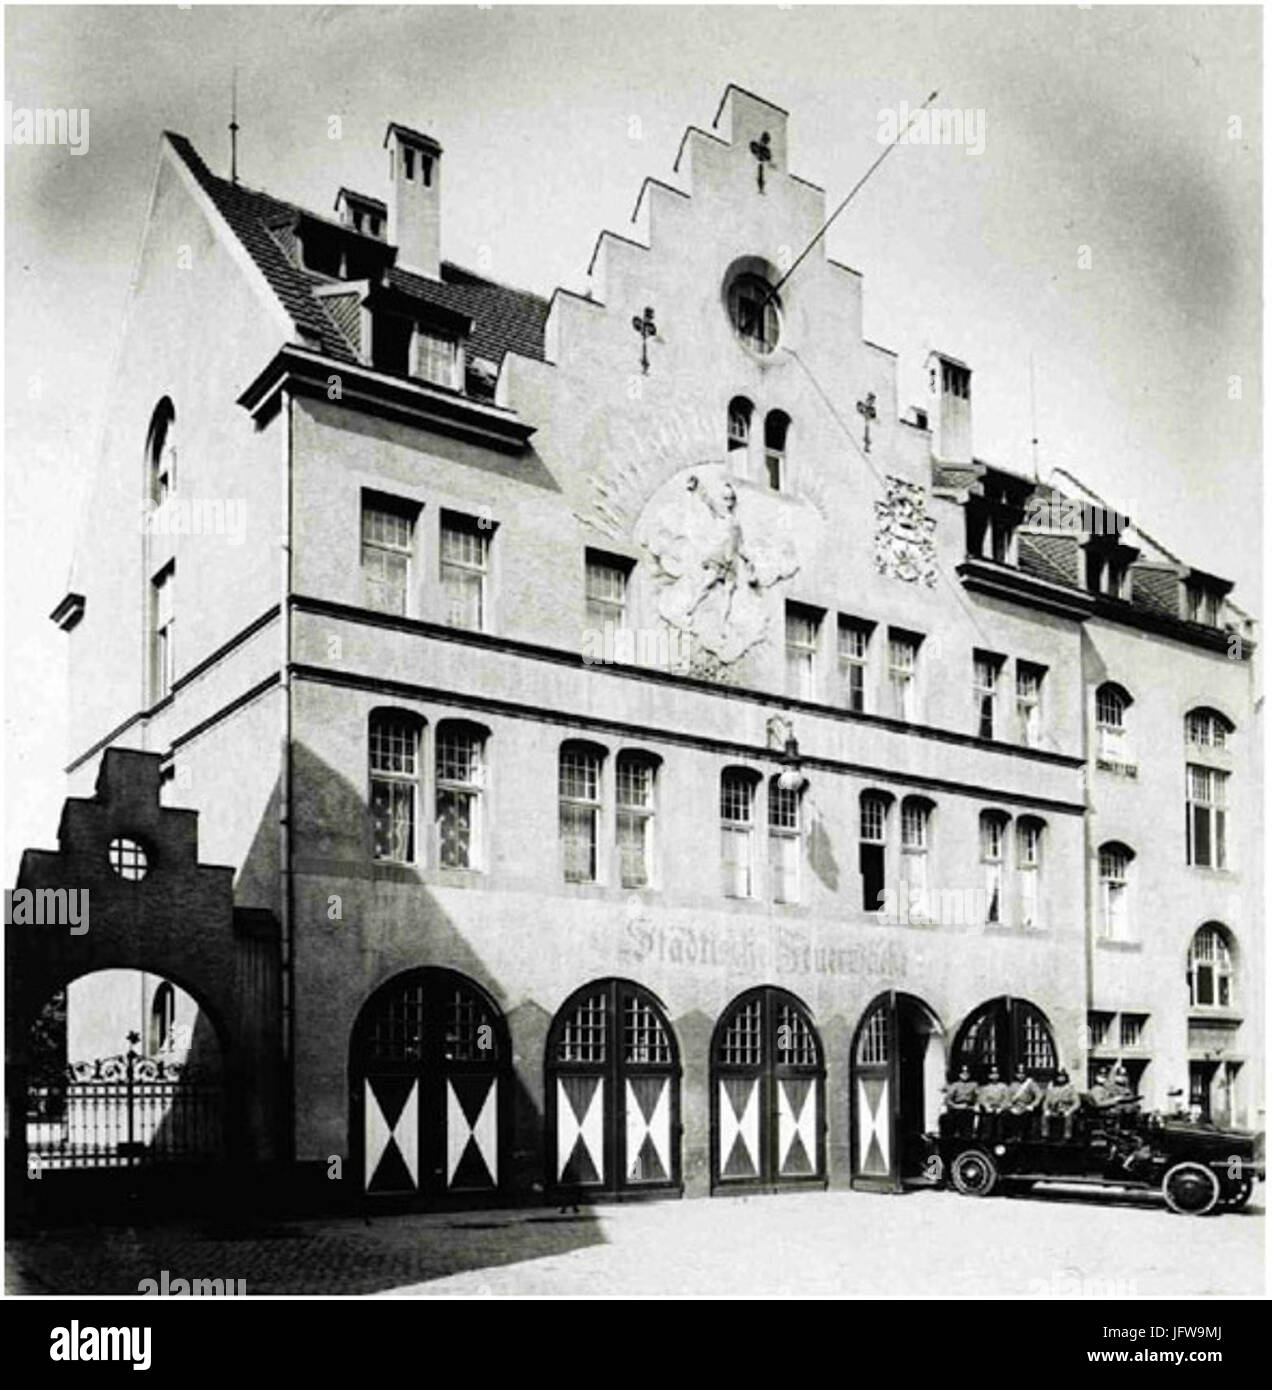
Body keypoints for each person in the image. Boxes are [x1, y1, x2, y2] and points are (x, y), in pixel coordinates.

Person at [1006, 1063, 1044, 1140]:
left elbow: (1039, 1095)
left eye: (1023, 1073)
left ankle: (1022, 1135)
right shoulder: (1013, 1085)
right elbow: (1008, 1097)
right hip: (1015, 1106)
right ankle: (1012, 1135)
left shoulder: (1030, 1084)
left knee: (1025, 1116)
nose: (1021, 1075)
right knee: (1007, 1114)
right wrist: (1009, 1105)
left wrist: (1032, 1105)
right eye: (1019, 1074)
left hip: (1026, 1106)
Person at [1043, 1069, 1081, 1141]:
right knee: (1045, 1116)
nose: (1061, 1079)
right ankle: (1045, 1135)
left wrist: (1070, 1110)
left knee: (1068, 1117)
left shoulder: (1070, 1089)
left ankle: (1067, 1135)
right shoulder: (1052, 1089)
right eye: (1059, 1077)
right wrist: (1046, 1109)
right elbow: (1046, 1101)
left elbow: (1077, 1102)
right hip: (1054, 1109)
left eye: (1063, 1077)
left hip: (1065, 1109)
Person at [942, 1064, 979, 1138]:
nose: (965, 1074)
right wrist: (956, 1106)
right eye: (963, 1072)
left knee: (969, 1124)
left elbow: (978, 1097)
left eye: (967, 1072)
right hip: (957, 1109)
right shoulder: (955, 1085)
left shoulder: (974, 1084)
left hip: (969, 1108)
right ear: (959, 1074)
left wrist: (975, 1105)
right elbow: (948, 1100)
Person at [976, 1065, 1010, 1141]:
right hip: (989, 1110)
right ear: (989, 1075)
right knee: (987, 1126)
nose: (994, 1076)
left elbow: (1007, 1099)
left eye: (996, 1073)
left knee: (1000, 1128)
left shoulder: (1003, 1087)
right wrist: (987, 1107)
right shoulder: (985, 1088)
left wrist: (1001, 1107)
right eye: (992, 1073)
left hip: (1000, 1110)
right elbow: (982, 1099)